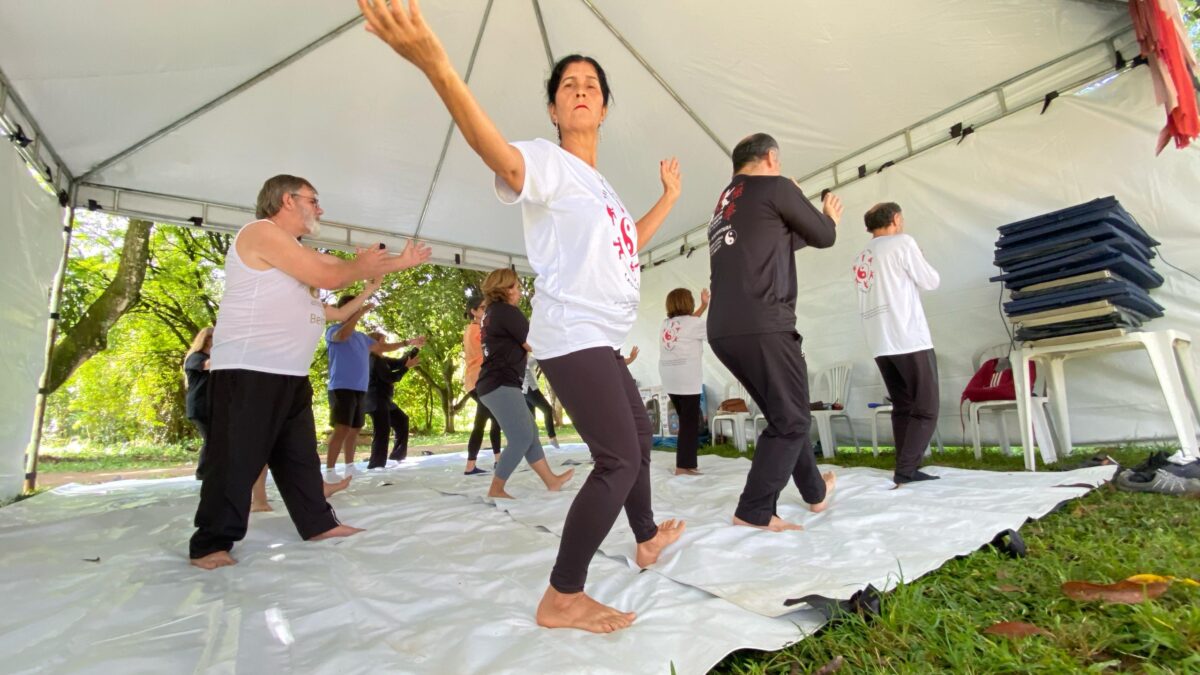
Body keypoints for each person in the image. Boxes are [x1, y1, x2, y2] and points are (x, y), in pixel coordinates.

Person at [360, 1, 686, 633]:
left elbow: (629, 242)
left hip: (603, 337)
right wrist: (438, 68)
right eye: (570, 85)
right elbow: (500, 156)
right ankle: (563, 595)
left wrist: (669, 199)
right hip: (573, 337)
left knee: (639, 442)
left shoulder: (604, 189)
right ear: (555, 109)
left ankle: (644, 538)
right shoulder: (548, 162)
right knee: (618, 458)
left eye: (592, 85)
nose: (582, 91)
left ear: (605, 106)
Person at [188, 173, 431, 570]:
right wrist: (358, 267)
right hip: (249, 371)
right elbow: (331, 275)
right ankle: (210, 543)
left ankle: (317, 523)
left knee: (299, 457)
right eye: (313, 200)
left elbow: (333, 290)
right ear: (287, 200)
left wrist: (385, 273)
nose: (320, 208)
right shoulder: (260, 233)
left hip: (290, 376)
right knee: (234, 460)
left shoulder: (297, 253)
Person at [706, 133, 841, 532]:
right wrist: (826, 214)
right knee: (793, 420)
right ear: (771, 157)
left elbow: (779, 242)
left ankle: (815, 492)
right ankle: (754, 510)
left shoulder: (724, 207)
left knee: (786, 412)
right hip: (762, 322)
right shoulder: (776, 186)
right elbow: (823, 236)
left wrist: (799, 210)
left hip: (725, 329)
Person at [854, 202, 942, 484]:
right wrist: (921, 259)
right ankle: (906, 468)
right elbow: (930, 281)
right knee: (926, 406)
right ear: (895, 219)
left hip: (880, 340)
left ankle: (904, 465)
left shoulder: (862, 256)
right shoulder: (902, 242)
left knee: (902, 405)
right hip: (907, 336)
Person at [476, 268, 575, 499]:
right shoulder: (506, 312)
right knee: (521, 437)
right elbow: (532, 343)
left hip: (495, 382)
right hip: (500, 382)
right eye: (516, 288)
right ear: (505, 289)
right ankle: (496, 488)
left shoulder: (492, 313)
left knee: (529, 433)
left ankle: (551, 481)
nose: (519, 293)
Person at [185, 326, 272, 512]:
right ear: (206, 340)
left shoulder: (218, 359)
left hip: (215, 407)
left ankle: (213, 474)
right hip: (201, 406)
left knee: (219, 440)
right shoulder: (196, 357)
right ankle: (204, 474)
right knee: (212, 440)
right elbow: (209, 365)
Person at [324, 298, 409, 470]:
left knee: (354, 429)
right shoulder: (333, 330)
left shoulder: (361, 338)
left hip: (359, 389)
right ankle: (330, 469)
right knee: (341, 429)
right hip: (341, 387)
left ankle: (349, 466)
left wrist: (408, 343)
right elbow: (343, 335)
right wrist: (359, 312)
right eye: (353, 308)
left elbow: (382, 348)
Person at [658, 288, 710, 476]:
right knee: (689, 423)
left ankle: (688, 463)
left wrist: (704, 306)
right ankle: (683, 466)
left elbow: (688, 325)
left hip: (669, 377)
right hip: (686, 378)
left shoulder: (667, 324)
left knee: (686, 420)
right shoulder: (694, 324)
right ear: (688, 302)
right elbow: (711, 329)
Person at [365, 331, 425, 468]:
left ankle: (397, 456)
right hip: (376, 401)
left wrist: (416, 348)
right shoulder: (373, 359)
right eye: (384, 341)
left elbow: (400, 362)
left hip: (385, 401)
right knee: (382, 432)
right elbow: (390, 378)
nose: (386, 344)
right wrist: (406, 368)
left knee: (401, 420)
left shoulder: (382, 359)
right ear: (376, 343)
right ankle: (376, 465)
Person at [462, 295, 502, 475]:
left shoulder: (474, 329)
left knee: (492, 420)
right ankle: (473, 465)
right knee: (485, 421)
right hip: (480, 381)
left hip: (478, 381)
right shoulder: (476, 331)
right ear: (473, 312)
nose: (486, 310)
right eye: (483, 308)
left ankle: (495, 460)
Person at [522, 356, 559, 448]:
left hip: (525, 390)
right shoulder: (524, 358)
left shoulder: (521, 357)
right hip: (530, 388)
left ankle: (531, 442)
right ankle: (552, 437)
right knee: (547, 409)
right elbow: (539, 357)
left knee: (531, 417)